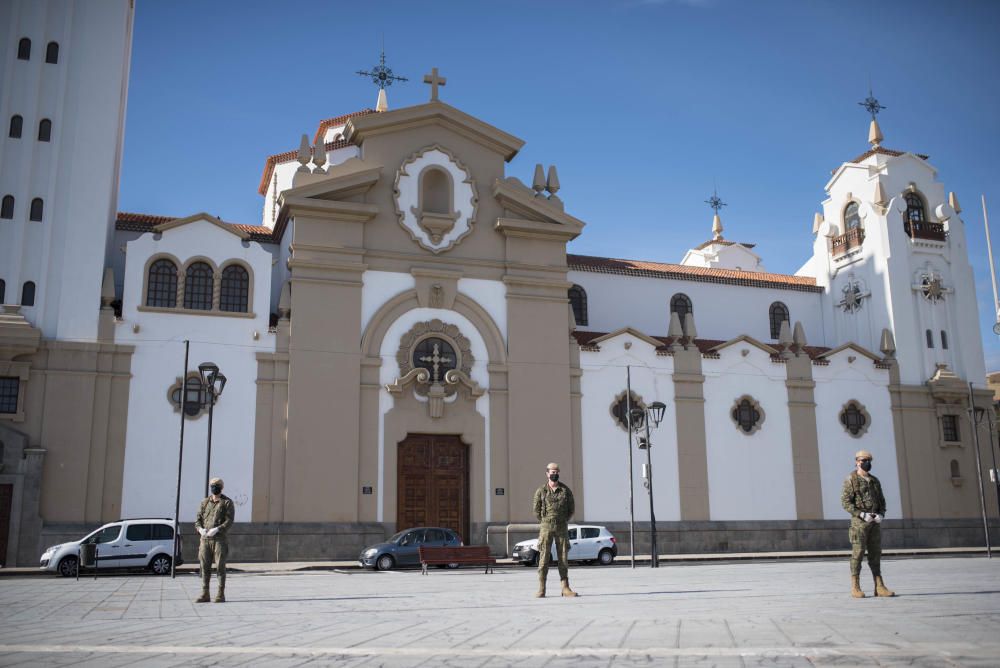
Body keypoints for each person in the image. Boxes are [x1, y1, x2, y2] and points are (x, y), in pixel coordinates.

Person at [841, 450, 895, 598]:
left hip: (874, 523)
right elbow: (845, 502)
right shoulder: (851, 479)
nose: (867, 463)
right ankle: (855, 587)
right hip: (859, 524)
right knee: (857, 554)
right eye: (864, 460)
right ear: (857, 461)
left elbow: (882, 501)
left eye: (869, 460)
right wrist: (861, 514)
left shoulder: (875, 481)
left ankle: (879, 586)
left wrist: (881, 515)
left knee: (875, 554)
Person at [532, 462, 578, 598]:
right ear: (547, 474)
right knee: (544, 558)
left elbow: (571, 509)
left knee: (563, 557)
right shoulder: (541, 491)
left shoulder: (565, 490)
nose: (554, 474)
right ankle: (542, 588)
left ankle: (565, 588)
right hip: (546, 527)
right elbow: (536, 510)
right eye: (552, 472)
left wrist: (562, 520)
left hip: (561, 527)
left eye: (556, 472)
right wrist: (545, 521)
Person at [194, 476, 235, 603]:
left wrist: (217, 529)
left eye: (216, 485)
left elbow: (229, 521)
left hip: (219, 539)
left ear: (221, 487)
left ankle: (220, 594)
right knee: (204, 567)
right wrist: (200, 529)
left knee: (220, 567)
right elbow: (198, 520)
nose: (214, 487)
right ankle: (205, 593)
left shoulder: (227, 502)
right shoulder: (204, 502)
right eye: (212, 485)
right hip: (205, 540)